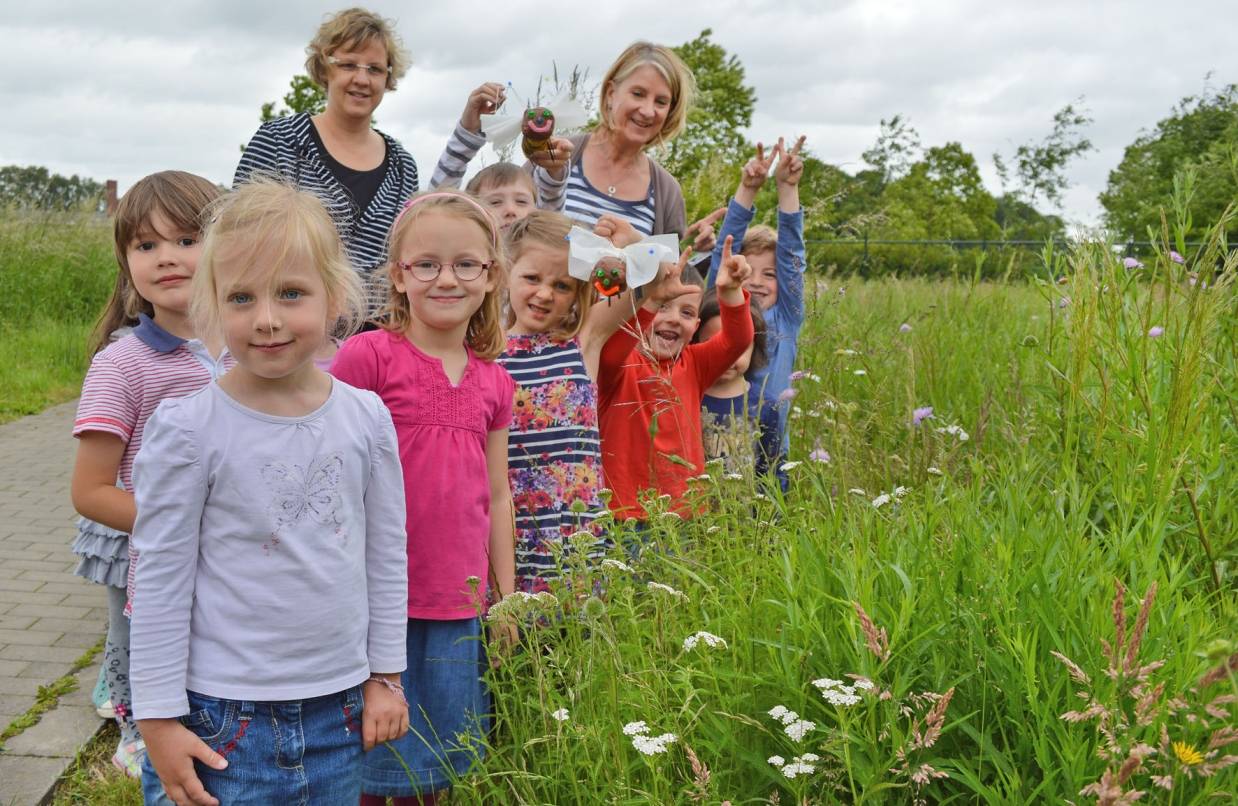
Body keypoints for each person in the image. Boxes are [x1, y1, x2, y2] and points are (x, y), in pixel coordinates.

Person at [129, 179, 409, 806]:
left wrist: (386, 676)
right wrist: (157, 719)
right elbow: (160, 576)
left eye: (290, 293)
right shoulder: (189, 428)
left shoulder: (366, 417)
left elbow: (386, 554)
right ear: (210, 305)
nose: (267, 319)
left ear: (334, 296)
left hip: (339, 712)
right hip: (218, 720)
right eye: (241, 297)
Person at [330, 190, 516, 804]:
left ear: (491, 277)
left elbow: (496, 493)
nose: (446, 278)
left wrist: (505, 598)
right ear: (398, 275)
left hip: (457, 599)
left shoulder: (495, 380)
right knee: (365, 753)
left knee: (436, 758)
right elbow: (327, 469)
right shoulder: (369, 357)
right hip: (376, 595)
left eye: (467, 264)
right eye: (426, 264)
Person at [68, 170, 228, 777]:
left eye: (188, 240)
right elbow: (90, 491)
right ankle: (138, 735)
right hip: (141, 541)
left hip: (224, 543)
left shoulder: (246, 347)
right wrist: (179, 526)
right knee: (138, 643)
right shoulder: (123, 364)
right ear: (126, 260)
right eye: (146, 245)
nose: (168, 258)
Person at [497, 211, 678, 591]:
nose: (545, 293)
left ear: (580, 290)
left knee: (579, 639)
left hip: (578, 529)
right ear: (504, 275)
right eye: (531, 278)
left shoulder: (584, 338)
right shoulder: (484, 352)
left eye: (562, 285)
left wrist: (628, 242)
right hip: (514, 530)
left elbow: (660, 272)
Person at [234, 7, 419, 317]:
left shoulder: (403, 166)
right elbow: (237, 238)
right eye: (348, 64)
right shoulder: (281, 140)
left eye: (375, 69)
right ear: (324, 68)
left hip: (376, 340)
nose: (362, 79)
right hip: (287, 330)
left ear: (388, 78)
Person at [597, 236, 754, 521]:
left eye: (686, 312)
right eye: (663, 307)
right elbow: (610, 353)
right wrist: (652, 299)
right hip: (625, 512)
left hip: (685, 513)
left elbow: (738, 340)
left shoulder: (694, 365)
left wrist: (730, 292)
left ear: (695, 326)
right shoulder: (621, 361)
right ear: (640, 311)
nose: (672, 319)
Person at [527, 42, 693, 239]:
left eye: (661, 102)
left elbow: (671, 268)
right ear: (611, 94)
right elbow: (508, 233)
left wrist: (636, 244)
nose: (648, 111)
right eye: (638, 94)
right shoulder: (557, 156)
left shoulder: (667, 192)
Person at [706, 137, 807, 448]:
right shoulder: (721, 308)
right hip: (717, 438)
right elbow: (726, 249)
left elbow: (792, 258)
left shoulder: (786, 317)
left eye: (770, 274)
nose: (758, 281)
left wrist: (787, 189)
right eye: (748, 270)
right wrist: (747, 189)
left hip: (771, 449)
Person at [429, 82, 574, 218]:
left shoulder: (542, 239)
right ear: (474, 214)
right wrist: (468, 132)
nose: (510, 210)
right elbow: (437, 203)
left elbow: (551, 205)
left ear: (537, 210)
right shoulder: (467, 242)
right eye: (495, 202)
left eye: (522, 202)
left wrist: (553, 173)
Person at [693, 289, 786, 490]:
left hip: (744, 518)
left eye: (738, 347)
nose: (727, 356)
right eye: (713, 344)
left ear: (755, 347)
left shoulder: (765, 405)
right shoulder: (686, 396)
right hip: (692, 515)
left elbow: (772, 469)